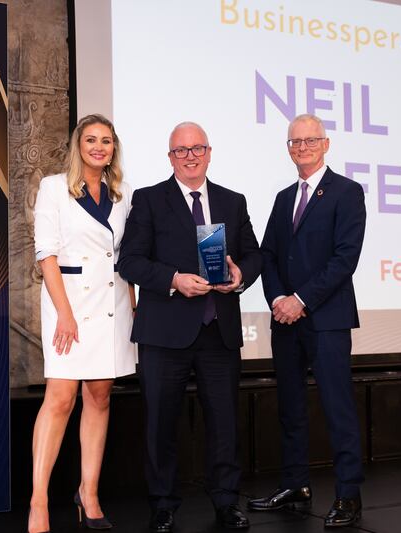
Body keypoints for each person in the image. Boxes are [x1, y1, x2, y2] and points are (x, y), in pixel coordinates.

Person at [118, 122, 261, 531]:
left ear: (209, 152)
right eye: (181, 150)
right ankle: (163, 504)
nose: (190, 155)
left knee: (224, 424)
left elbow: (254, 255)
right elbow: (130, 261)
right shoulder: (148, 201)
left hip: (219, 331)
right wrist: (174, 280)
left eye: (197, 148)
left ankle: (226, 501)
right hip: (164, 333)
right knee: (160, 423)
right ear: (170, 158)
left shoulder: (233, 202)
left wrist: (240, 274)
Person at [249, 114, 367, 528]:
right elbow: (268, 255)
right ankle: (296, 487)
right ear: (287, 148)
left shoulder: (348, 193)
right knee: (291, 408)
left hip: (327, 320)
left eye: (310, 140)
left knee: (337, 408)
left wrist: (301, 299)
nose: (302, 147)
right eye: (294, 141)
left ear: (326, 143)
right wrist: (280, 298)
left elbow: (344, 260)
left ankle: (348, 495)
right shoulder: (284, 198)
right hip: (286, 321)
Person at [29, 114, 136, 533]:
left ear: (114, 148)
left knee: (100, 397)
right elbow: (45, 254)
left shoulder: (122, 194)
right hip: (67, 306)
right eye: (91, 140)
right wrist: (66, 314)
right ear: (78, 146)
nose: (99, 147)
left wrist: (134, 304)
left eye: (106, 141)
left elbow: (124, 256)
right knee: (59, 399)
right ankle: (39, 501)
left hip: (113, 306)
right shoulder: (54, 188)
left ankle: (88, 492)